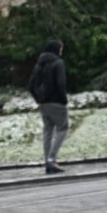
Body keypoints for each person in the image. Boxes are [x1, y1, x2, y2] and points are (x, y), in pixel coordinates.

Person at [28, 40, 69, 174]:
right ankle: (52, 159)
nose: (61, 52)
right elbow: (61, 84)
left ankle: (48, 161)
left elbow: (31, 85)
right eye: (61, 49)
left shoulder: (38, 64)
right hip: (56, 102)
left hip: (43, 103)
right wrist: (63, 100)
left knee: (48, 131)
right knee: (63, 129)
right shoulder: (58, 63)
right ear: (56, 50)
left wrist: (38, 99)